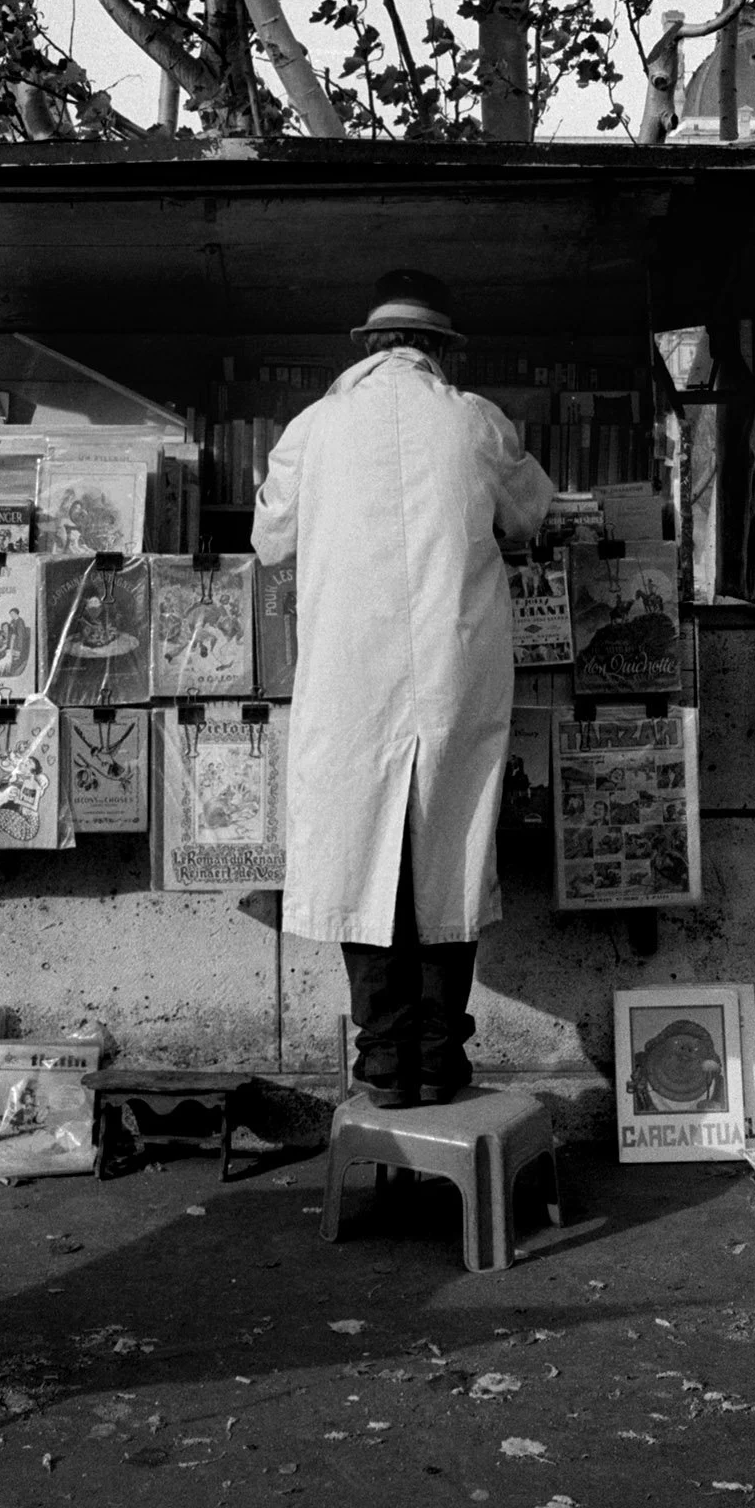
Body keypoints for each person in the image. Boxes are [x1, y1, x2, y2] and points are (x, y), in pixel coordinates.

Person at [252, 269, 553, 1109]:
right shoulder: (475, 421)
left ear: (372, 348)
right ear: (440, 351)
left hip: (351, 685)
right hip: (455, 676)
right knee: (446, 862)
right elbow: (534, 514)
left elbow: (270, 539)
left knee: (364, 866)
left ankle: (383, 1063)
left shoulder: (311, 429)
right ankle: (441, 1057)